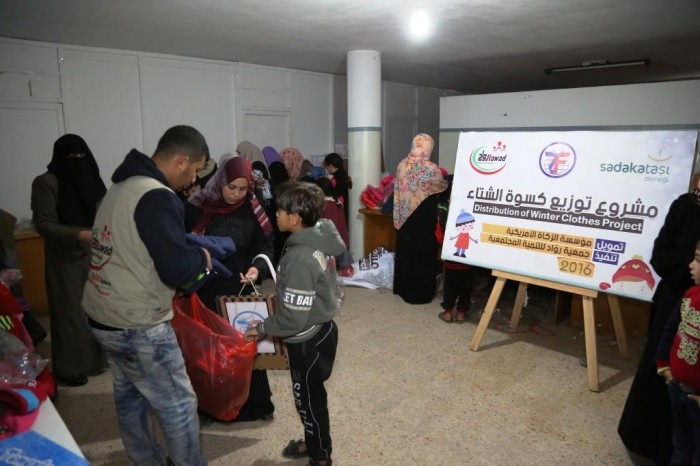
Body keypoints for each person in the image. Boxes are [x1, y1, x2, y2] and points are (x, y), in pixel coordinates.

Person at [82, 125, 212, 466]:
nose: (193, 179)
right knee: (178, 404)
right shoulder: (156, 195)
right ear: (182, 161)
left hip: (102, 314)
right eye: (195, 170)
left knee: (130, 395)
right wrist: (202, 259)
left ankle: (146, 460)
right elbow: (176, 269)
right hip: (136, 323)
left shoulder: (120, 186)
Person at [244, 182, 344, 466]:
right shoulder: (319, 235)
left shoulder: (300, 259)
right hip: (321, 328)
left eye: (280, 210)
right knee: (312, 396)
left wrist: (262, 327)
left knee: (308, 400)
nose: (275, 214)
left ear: (296, 218)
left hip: (307, 340)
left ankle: (319, 455)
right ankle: (314, 442)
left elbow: (292, 319)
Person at [187, 156, 276, 422]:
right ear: (220, 182)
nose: (237, 194)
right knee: (208, 350)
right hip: (206, 289)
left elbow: (265, 245)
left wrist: (257, 268)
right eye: (231, 187)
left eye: (243, 188)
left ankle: (252, 406)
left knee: (246, 346)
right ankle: (210, 406)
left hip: (240, 288)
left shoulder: (253, 207)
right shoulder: (198, 206)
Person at [618, 180, 700, 465]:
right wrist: (693, 266)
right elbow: (661, 257)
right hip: (674, 303)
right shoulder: (685, 206)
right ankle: (646, 442)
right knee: (661, 370)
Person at [31, 134, 107, 387]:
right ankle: (68, 368)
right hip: (65, 256)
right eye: (71, 156)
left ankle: (96, 361)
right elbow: (43, 223)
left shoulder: (93, 180)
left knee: (98, 309)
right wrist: (78, 235)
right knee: (70, 313)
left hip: (96, 253)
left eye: (81, 155)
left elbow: (104, 211)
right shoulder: (46, 182)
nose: (77, 160)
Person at [656, 239, 700, 465]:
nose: (691, 265)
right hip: (677, 388)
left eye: (698, 260)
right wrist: (663, 364)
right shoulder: (690, 295)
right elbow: (671, 329)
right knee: (681, 446)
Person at [392, 133, 448, 305]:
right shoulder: (431, 168)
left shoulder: (402, 164)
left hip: (405, 216)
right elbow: (441, 187)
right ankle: (420, 293)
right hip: (424, 215)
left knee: (406, 251)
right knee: (423, 253)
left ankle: (402, 288)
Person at [323, 152, 351, 222]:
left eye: (326, 166)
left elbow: (337, 192)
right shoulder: (343, 173)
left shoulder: (338, 176)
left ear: (330, 166)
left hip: (341, 206)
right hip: (345, 205)